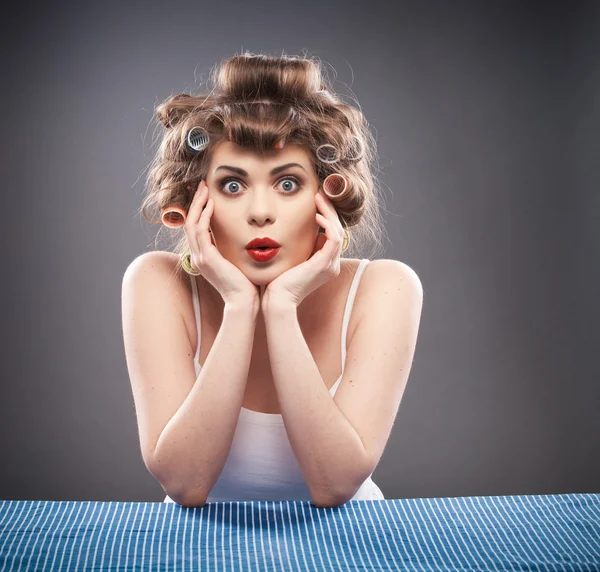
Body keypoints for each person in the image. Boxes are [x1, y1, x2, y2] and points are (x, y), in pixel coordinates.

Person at [121, 52, 423, 508]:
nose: (260, 212)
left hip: (346, 546)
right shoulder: (156, 281)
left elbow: (334, 485)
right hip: (198, 550)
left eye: (287, 184)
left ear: (325, 197)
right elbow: (185, 484)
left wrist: (281, 306)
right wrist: (241, 305)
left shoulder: (386, 288)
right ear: (198, 201)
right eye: (232, 185)